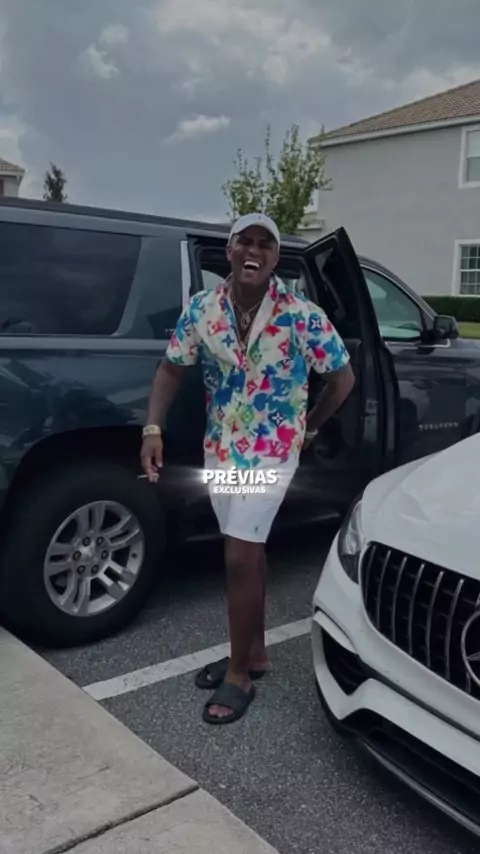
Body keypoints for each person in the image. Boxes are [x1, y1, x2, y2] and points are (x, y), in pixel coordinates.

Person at [141, 212, 355, 725]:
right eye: (244, 242)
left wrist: (309, 427)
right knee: (248, 550)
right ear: (230, 251)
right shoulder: (204, 309)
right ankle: (254, 652)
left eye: (264, 244)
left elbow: (342, 379)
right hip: (222, 449)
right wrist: (153, 428)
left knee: (238, 554)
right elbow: (170, 369)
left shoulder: (301, 315)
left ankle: (239, 675)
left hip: (272, 451)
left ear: (275, 258)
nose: (253, 251)